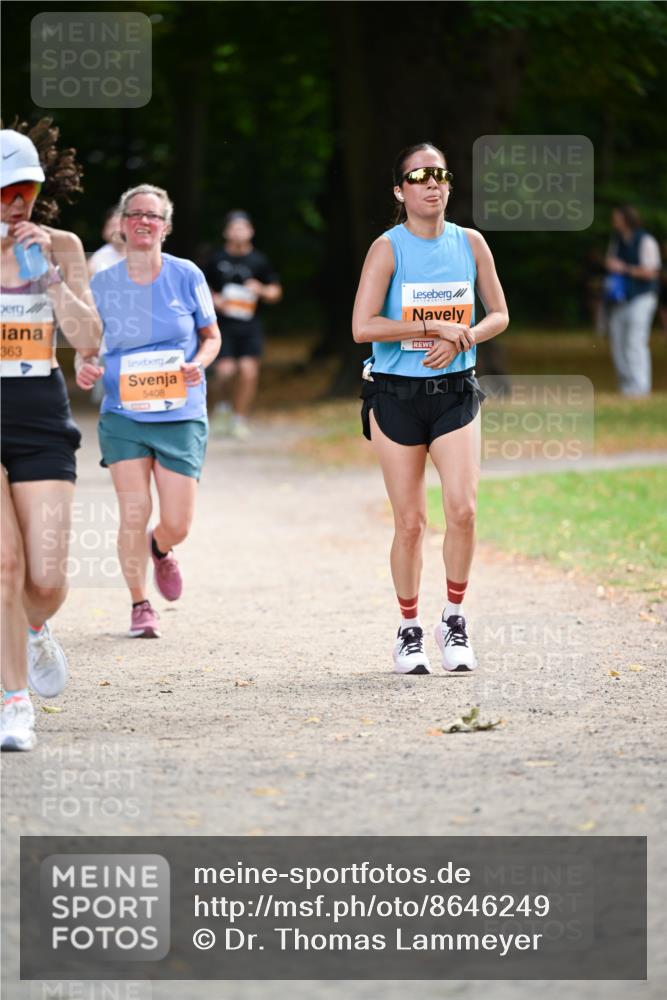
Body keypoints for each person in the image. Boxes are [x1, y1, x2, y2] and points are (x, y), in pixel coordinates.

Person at [352, 142, 509, 675]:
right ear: (400, 191)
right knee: (412, 523)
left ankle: (454, 618)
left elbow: (499, 314)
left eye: (439, 174)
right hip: (396, 395)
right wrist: (428, 326)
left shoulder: (470, 242)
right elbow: (362, 327)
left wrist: (464, 337)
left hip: (454, 391)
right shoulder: (387, 248)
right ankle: (408, 629)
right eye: (419, 176)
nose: (432, 183)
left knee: (463, 510)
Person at [76, 184, 220, 639]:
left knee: (177, 523)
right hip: (124, 414)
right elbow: (87, 349)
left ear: (166, 226)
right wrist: (85, 367)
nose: (143, 221)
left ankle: (160, 549)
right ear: (122, 224)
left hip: (180, 412)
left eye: (153, 215)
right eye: (135, 214)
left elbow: (211, 336)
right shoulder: (103, 283)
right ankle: (140, 604)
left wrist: (199, 363)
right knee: (133, 513)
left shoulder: (186, 274)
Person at [1, 123, 101, 751]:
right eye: (5, 191)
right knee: (4, 566)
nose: (17, 203)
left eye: (27, 189)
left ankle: (34, 628)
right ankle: (13, 703)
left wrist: (51, 279)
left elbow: (89, 337)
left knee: (44, 581)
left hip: (39, 415)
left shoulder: (61, 245)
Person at [204, 211, 282, 438]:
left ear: (251, 231)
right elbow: (200, 287)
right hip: (222, 326)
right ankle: (222, 408)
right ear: (226, 232)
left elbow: (276, 292)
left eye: (243, 228)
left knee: (248, 372)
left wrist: (262, 289)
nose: (238, 232)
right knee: (225, 372)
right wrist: (214, 299)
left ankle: (240, 419)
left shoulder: (259, 261)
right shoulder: (216, 260)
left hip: (250, 326)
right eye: (234, 228)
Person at [604, 205, 661, 396]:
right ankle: (626, 386)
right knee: (618, 341)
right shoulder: (617, 240)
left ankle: (640, 388)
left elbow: (651, 272)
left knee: (635, 342)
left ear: (626, 219)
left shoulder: (646, 240)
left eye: (617, 218)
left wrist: (625, 269)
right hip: (621, 298)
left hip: (642, 297)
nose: (614, 221)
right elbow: (610, 262)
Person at [87, 207, 126, 276]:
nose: (117, 230)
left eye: (121, 226)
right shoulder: (97, 258)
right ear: (104, 231)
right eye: (113, 226)